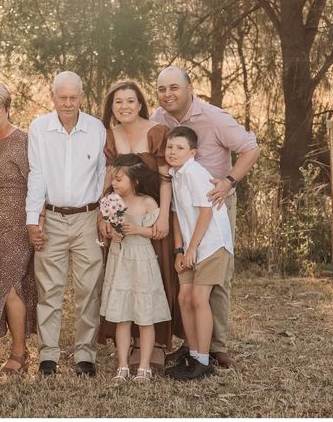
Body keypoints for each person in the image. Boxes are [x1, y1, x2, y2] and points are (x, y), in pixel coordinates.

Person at [150, 66, 260, 368]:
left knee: (216, 274)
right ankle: (193, 343)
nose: (168, 94)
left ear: (189, 88)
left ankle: (217, 346)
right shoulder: (158, 120)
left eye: (174, 87)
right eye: (162, 89)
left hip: (215, 203)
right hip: (182, 207)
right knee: (188, 272)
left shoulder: (214, 117)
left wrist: (229, 181)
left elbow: (251, 149)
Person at [26, 71, 106, 376]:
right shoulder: (40, 128)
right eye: (63, 98)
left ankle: (86, 354)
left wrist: (102, 215)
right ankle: (48, 355)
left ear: (82, 97)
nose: (68, 103)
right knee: (49, 288)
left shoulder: (96, 129)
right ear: (53, 97)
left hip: (87, 217)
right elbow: (37, 174)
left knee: (88, 289)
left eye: (74, 97)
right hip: (53, 217)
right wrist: (34, 219)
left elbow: (102, 175)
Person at [98, 79, 181, 372]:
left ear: (140, 104)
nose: (124, 107)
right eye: (118, 102)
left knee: (155, 277)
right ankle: (129, 344)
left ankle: (156, 344)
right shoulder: (110, 136)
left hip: (152, 212)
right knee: (125, 278)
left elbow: (165, 177)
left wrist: (163, 217)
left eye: (130, 101)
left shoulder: (156, 131)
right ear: (112, 107)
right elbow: (109, 181)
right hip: (122, 216)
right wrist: (104, 217)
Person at [0, 81, 37, 375]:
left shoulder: (22, 141)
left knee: (12, 285)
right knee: (1, 283)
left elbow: (37, 184)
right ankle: (18, 347)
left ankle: (19, 354)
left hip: (16, 224)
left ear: (8, 109)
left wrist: (36, 222)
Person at [164, 126, 234, 381]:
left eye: (179, 148)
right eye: (170, 147)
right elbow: (176, 215)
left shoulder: (194, 173)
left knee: (198, 298)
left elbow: (206, 212)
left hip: (212, 244)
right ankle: (193, 355)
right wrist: (179, 249)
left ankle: (204, 361)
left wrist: (192, 248)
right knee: (184, 297)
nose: (173, 152)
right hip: (191, 246)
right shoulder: (175, 175)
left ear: (192, 153)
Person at [100, 155, 171, 384]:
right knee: (122, 316)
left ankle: (143, 366)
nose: (115, 184)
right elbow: (108, 227)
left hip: (141, 259)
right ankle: (122, 365)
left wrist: (137, 229)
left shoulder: (147, 202)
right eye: (113, 179)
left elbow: (158, 233)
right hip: (120, 258)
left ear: (135, 180)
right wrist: (113, 232)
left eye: (120, 180)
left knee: (145, 316)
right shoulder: (111, 201)